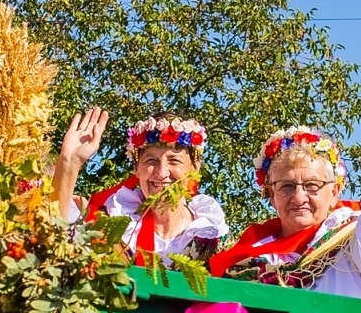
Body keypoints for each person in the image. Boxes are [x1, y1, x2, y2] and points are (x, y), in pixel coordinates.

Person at [208, 79, 361, 301]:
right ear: (271, 195)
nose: (299, 197)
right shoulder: (249, 254)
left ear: (335, 192)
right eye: (287, 186)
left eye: (312, 185)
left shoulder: (351, 241)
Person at [53, 108, 229, 263]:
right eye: (151, 160)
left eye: (174, 160)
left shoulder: (210, 231)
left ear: (195, 167)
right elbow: (57, 239)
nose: (161, 173)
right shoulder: (114, 224)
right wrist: (69, 164)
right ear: (136, 168)